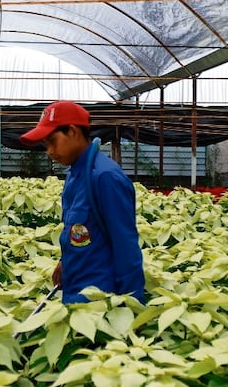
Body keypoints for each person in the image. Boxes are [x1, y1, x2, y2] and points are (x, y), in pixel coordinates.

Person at [20, 101, 145, 304]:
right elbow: (80, 230)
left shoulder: (105, 177)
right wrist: (64, 261)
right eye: (46, 145)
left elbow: (126, 246)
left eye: (52, 141)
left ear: (72, 131)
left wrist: (133, 305)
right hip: (74, 292)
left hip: (99, 302)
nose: (49, 151)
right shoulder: (75, 175)